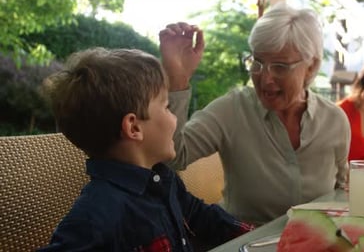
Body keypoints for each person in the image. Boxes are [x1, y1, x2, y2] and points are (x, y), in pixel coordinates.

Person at [37, 48, 253, 251]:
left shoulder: (163, 180)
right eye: (166, 106)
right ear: (134, 127)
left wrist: (262, 238)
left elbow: (204, 218)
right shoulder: (95, 217)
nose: (174, 118)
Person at [159, 2, 350, 226]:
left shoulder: (334, 121)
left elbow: (341, 190)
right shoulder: (231, 110)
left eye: (280, 66)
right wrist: (177, 78)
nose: (265, 78)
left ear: (311, 66)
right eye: (257, 63)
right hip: (242, 241)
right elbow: (174, 156)